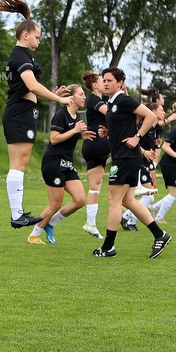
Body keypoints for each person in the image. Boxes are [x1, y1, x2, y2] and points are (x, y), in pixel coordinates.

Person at [0, 0, 72, 229]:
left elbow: (32, 89)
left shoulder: (24, 56)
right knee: (19, 164)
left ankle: (18, 213)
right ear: (25, 35)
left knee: (20, 164)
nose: (39, 41)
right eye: (37, 37)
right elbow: (32, 85)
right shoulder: (20, 55)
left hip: (23, 112)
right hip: (19, 114)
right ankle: (16, 214)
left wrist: (52, 94)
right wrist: (60, 100)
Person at [93, 67, 172, 259]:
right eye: (104, 80)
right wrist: (108, 132)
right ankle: (160, 235)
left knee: (114, 200)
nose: (105, 83)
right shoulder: (111, 103)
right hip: (124, 156)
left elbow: (151, 116)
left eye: (109, 80)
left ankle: (108, 247)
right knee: (127, 200)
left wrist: (137, 137)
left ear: (120, 83)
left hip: (126, 157)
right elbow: (122, 127)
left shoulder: (124, 100)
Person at [28, 84, 94, 245]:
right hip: (54, 163)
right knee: (55, 203)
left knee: (80, 200)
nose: (84, 97)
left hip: (67, 163)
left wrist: (81, 136)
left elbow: (69, 135)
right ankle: (34, 235)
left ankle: (51, 223)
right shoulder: (60, 115)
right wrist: (75, 131)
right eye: (81, 94)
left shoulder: (76, 117)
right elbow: (54, 139)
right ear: (71, 98)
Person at [121, 101, 164, 231]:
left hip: (145, 163)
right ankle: (128, 218)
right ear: (154, 112)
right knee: (148, 195)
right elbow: (133, 141)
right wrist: (144, 152)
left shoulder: (153, 128)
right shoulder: (143, 127)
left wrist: (155, 145)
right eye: (161, 110)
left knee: (148, 194)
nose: (164, 112)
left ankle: (127, 218)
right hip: (139, 163)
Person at [80, 70, 112, 239]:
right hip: (97, 142)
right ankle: (137, 182)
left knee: (95, 187)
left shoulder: (103, 99)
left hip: (92, 146)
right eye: (102, 81)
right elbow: (111, 113)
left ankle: (90, 223)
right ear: (94, 85)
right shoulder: (94, 100)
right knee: (127, 145)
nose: (105, 84)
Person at [153, 108, 176, 223]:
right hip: (168, 165)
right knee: (174, 193)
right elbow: (165, 146)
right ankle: (159, 217)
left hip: (175, 166)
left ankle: (153, 207)